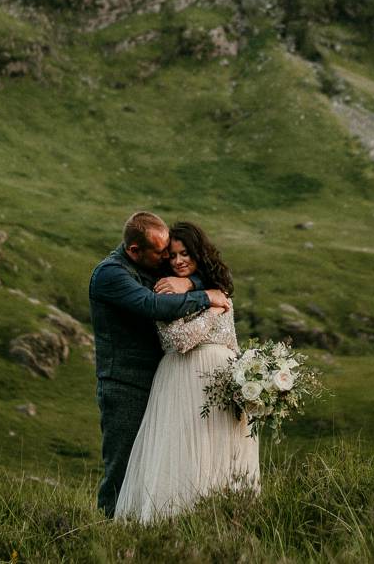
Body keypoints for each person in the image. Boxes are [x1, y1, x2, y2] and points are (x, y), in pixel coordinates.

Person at [114, 221, 260, 522]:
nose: (179, 261)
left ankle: (225, 522)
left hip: (222, 381)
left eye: (186, 254)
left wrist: (246, 379)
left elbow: (231, 340)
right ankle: (174, 525)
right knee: (184, 452)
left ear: (199, 254)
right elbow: (178, 340)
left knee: (224, 451)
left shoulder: (217, 289)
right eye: (173, 255)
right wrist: (212, 309)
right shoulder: (165, 290)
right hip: (184, 379)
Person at [89, 211, 231, 518]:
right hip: (125, 383)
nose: (167, 257)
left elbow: (187, 273)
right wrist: (206, 296)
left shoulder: (149, 265)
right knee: (123, 467)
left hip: (161, 382)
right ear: (134, 251)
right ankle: (102, 533)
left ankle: (145, 530)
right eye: (161, 252)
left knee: (155, 464)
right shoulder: (110, 275)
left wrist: (190, 283)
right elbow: (154, 306)